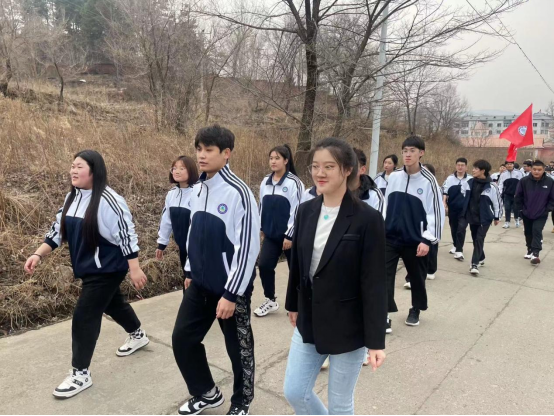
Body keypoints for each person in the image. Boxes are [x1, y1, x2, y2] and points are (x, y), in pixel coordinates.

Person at [24, 150, 149, 399]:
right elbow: (58, 231)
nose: (73, 170)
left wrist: (134, 268)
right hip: (89, 267)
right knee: (113, 303)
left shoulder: (109, 200)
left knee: (85, 315)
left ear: (94, 171)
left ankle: (80, 373)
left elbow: (126, 234)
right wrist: (38, 254)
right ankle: (138, 335)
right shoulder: (72, 197)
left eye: (79, 166)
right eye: (72, 166)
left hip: (108, 269)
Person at [284, 138, 387, 416]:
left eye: (329, 166)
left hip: (348, 326)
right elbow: (298, 265)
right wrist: (292, 304)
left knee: (340, 404)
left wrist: (375, 341)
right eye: (315, 166)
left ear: (347, 170)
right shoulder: (306, 210)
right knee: (295, 391)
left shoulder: (368, 219)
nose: (320, 173)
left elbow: (375, 283)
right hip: (310, 319)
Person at [172, 125, 260, 416]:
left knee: (238, 348)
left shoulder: (239, 193)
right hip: (199, 283)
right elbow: (193, 234)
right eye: (199, 149)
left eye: (209, 150)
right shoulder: (198, 189)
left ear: (226, 153)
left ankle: (242, 401)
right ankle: (207, 393)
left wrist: (231, 294)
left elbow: (247, 249)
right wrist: (189, 270)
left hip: (230, 288)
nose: (201, 155)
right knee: (183, 339)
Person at [385, 136, 445, 330]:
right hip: (390, 237)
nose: (407, 155)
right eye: (405, 151)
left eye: (412, 151)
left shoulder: (429, 181)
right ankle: (384, 313)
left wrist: (428, 240)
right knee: (383, 276)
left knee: (417, 277)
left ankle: (416, 309)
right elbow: (386, 205)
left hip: (416, 240)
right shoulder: (394, 177)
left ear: (421, 153)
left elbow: (436, 213)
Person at [255, 145, 304, 318]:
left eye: (277, 158)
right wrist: (261, 227)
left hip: (291, 237)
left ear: (286, 160)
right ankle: (270, 300)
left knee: (295, 271)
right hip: (271, 236)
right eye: (271, 158)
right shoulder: (265, 181)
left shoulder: (294, 183)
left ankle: (298, 304)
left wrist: (290, 235)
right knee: (264, 266)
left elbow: (298, 210)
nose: (273, 161)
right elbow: (261, 205)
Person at [156, 156, 200, 285]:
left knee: (194, 283)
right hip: (182, 247)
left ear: (191, 170)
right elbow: (166, 220)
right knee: (187, 281)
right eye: (174, 168)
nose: (177, 171)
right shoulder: (172, 194)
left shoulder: (198, 193)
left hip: (197, 248)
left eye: (182, 168)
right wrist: (161, 244)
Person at [454, 160, 502, 275]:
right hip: (471, 216)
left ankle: (474, 264)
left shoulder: (491, 186)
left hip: (484, 218)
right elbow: (463, 194)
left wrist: (497, 217)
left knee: (479, 238)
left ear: (483, 171)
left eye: (476, 168)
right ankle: (481, 257)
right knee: (475, 238)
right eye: (473, 168)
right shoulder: (469, 182)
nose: (473, 170)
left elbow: (497, 203)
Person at [515, 160, 554, 265]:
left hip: (541, 213)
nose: (537, 172)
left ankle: (536, 253)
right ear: (531, 170)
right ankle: (529, 249)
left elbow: (552, 197)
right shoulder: (524, 181)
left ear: (543, 170)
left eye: (539, 170)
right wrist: (520, 209)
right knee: (528, 232)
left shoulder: (549, 182)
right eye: (534, 169)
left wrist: (548, 209)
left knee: (537, 230)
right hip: (526, 212)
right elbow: (518, 196)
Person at [443, 158, 472, 256]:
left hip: (465, 209)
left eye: (462, 165)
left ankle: (459, 250)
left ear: (466, 167)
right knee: (454, 228)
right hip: (452, 208)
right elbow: (445, 192)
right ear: (456, 166)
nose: (460, 167)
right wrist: (444, 203)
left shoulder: (471, 179)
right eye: (458, 165)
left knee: (461, 228)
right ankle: (455, 245)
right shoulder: (450, 178)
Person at [353, 148, 387, 218]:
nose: (347, 169)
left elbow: (379, 222)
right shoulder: (335, 192)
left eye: (352, 165)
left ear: (362, 169)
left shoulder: (375, 195)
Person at [498, 160, 524, 229]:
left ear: (513, 165)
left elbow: (522, 183)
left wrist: (521, 193)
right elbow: (500, 184)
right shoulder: (503, 174)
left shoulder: (519, 173)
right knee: (507, 208)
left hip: (516, 194)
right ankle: (507, 222)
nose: (509, 165)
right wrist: (500, 192)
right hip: (507, 194)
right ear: (505, 165)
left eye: (510, 164)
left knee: (516, 208)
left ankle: (516, 220)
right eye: (507, 164)